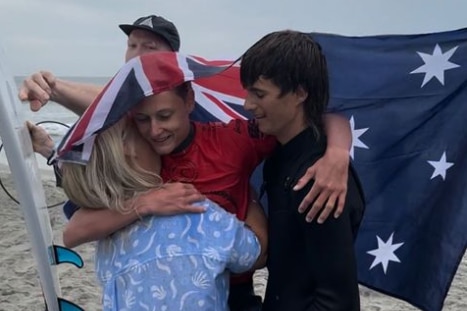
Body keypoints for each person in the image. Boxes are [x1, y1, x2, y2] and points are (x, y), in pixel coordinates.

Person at [19, 14, 353, 225]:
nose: (136, 57)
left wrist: (338, 153)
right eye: (131, 46)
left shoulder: (207, 94)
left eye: (149, 48)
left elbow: (310, 113)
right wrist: (52, 87)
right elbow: (99, 131)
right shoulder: (128, 121)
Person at [57, 113, 268, 311]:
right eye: (142, 135)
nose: (154, 136)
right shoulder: (194, 212)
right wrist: (248, 195)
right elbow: (255, 254)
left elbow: (71, 232)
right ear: (129, 153)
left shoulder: (108, 233)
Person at [240, 30, 365, 310]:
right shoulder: (279, 155)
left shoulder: (318, 179)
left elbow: (337, 302)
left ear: (299, 92)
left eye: (259, 94)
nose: (248, 104)